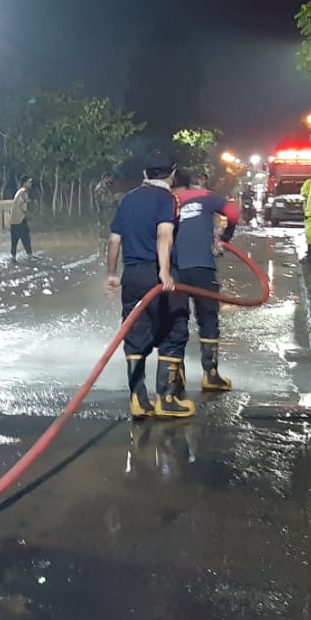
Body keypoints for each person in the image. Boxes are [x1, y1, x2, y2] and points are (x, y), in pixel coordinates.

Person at [106, 151, 193, 419]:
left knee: (135, 334)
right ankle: (166, 399)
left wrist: (112, 273)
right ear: (172, 173)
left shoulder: (127, 200)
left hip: (131, 275)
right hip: (157, 275)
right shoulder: (168, 199)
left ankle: (138, 400)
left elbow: (114, 240)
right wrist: (165, 272)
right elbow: (163, 234)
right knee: (174, 330)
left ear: (145, 174)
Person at [173, 173, 241, 391]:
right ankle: (210, 375)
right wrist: (224, 238)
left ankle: (175, 376)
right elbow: (233, 212)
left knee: (175, 321)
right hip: (202, 268)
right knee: (208, 319)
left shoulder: (166, 202)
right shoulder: (205, 197)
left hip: (175, 270)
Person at [10, 175, 34, 261]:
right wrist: (28, 213)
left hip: (13, 221)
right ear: (24, 183)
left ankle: (13, 258)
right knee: (26, 238)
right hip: (20, 220)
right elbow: (23, 206)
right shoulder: (24, 192)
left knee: (14, 242)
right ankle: (30, 256)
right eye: (29, 182)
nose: (31, 184)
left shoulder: (19, 192)